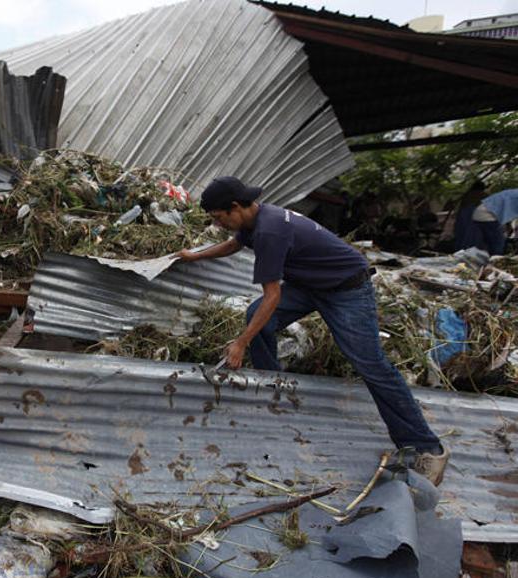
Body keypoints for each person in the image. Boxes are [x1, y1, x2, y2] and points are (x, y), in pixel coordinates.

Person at [174, 176, 450, 485]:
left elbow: (272, 296)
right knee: (256, 317)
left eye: (218, 217)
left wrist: (241, 343)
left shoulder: (269, 230)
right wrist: (196, 255)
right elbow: (235, 243)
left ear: (235, 207)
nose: (218, 223)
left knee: (371, 366)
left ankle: (427, 448)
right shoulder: (254, 220)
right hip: (310, 285)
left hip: (346, 289)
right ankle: (273, 387)